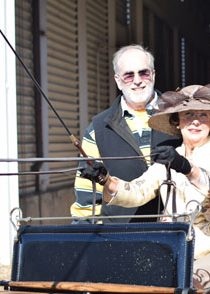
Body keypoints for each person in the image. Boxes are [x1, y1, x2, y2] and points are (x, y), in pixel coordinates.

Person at [80, 83, 210, 289]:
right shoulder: (169, 156)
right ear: (177, 122)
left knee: (188, 288)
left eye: (203, 115)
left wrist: (185, 166)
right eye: (188, 114)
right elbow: (138, 192)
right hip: (175, 250)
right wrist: (105, 179)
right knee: (131, 286)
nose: (195, 122)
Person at [70, 44, 181, 223]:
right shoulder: (98, 129)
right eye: (128, 75)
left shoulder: (182, 116)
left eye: (143, 73)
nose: (137, 81)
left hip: (174, 232)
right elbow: (86, 193)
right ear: (118, 81)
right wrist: (82, 233)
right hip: (121, 236)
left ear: (153, 75)